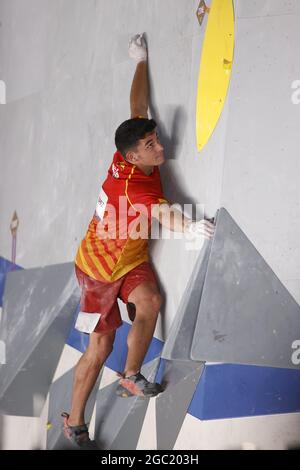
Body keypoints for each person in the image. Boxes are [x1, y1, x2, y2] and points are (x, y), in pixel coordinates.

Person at [62, 34, 215, 446]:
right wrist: (193, 227)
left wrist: (141, 61)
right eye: (151, 145)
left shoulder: (126, 153)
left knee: (150, 302)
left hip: (129, 256)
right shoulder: (136, 189)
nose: (160, 147)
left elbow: (137, 109)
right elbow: (165, 214)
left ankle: (130, 375)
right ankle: (75, 420)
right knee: (100, 346)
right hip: (98, 270)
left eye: (156, 139)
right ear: (134, 157)